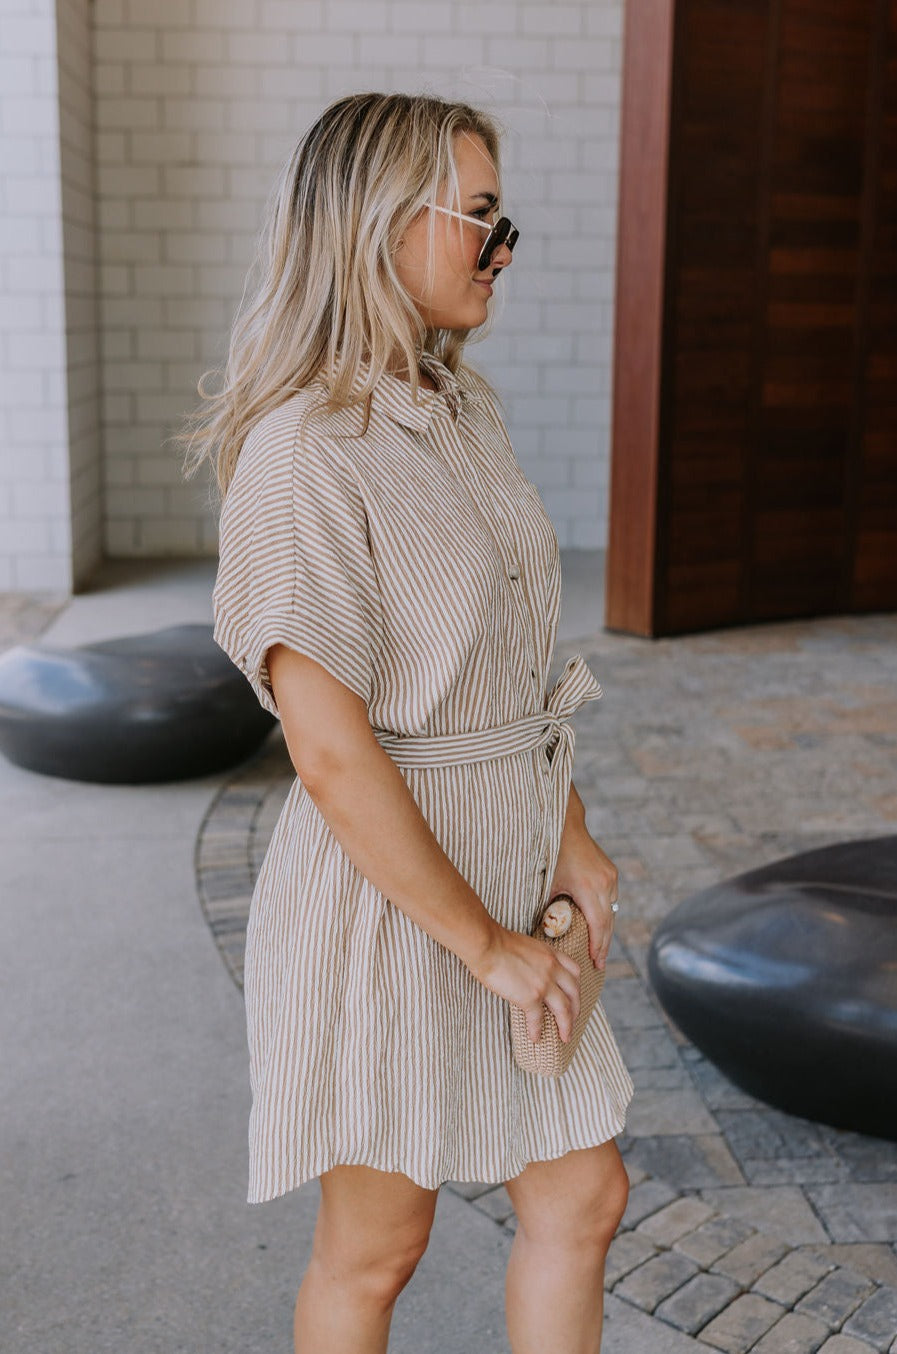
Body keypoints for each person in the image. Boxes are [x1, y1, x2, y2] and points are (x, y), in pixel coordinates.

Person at [179, 90, 635, 1354]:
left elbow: (505, 666)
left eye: (504, 222)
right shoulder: (302, 454)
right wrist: (488, 949)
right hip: (384, 909)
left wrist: (570, 835)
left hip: (505, 850)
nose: (502, 248)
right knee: (377, 1251)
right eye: (479, 219)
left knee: (583, 1195)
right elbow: (327, 754)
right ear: (378, 226)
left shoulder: (461, 410)